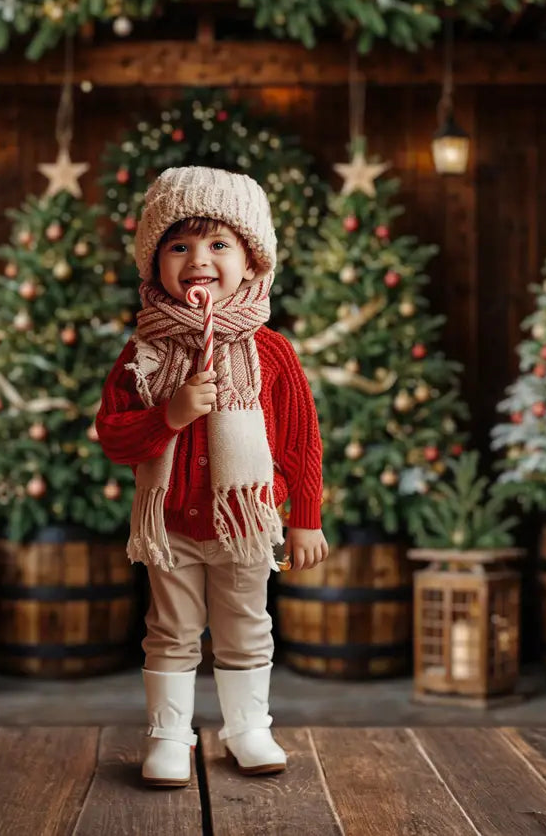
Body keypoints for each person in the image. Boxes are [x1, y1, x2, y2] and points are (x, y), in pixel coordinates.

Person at [96, 165, 327, 788]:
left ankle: (247, 727)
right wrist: (167, 416)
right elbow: (113, 435)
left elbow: (302, 439)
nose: (198, 259)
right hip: (169, 523)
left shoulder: (270, 351)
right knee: (169, 631)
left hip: (245, 523)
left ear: (252, 262)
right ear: (155, 264)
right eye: (180, 245)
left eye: (218, 244)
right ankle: (169, 735)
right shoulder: (144, 350)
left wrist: (305, 519)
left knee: (246, 625)